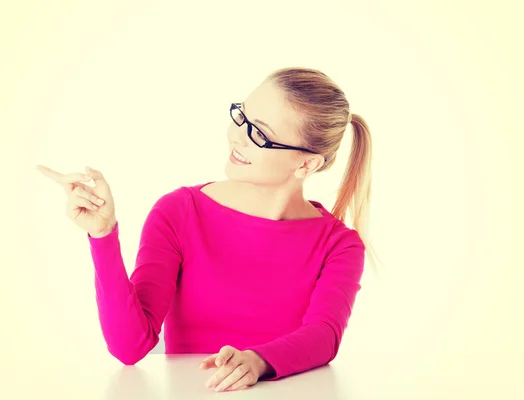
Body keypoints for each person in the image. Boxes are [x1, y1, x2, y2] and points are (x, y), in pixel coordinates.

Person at [36, 66, 382, 393]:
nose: (237, 137)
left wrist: (258, 361)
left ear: (307, 163)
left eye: (259, 133)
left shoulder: (340, 245)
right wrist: (102, 235)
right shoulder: (179, 212)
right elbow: (129, 347)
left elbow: (323, 335)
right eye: (242, 116)